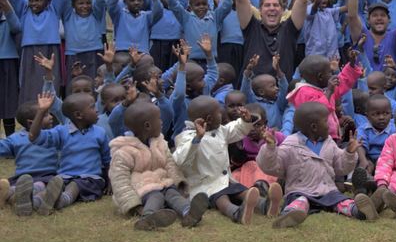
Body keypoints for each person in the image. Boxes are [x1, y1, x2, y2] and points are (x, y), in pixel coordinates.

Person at [256, 101, 379, 228]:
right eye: (326, 121)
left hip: (327, 191)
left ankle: (359, 211)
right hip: (301, 191)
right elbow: (271, 167)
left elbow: (341, 168)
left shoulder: (329, 143)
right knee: (300, 202)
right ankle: (289, 215)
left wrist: (348, 153)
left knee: (342, 202)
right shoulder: (290, 145)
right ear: (314, 127)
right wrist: (270, 147)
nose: (330, 124)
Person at [109, 102, 208, 230]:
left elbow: (170, 165)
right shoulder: (124, 152)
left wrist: (179, 183)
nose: (161, 122)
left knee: (172, 193)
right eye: (158, 119)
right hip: (142, 188)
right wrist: (133, 204)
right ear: (148, 126)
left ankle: (189, 212)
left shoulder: (160, 143)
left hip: (164, 183)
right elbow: (120, 181)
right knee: (156, 196)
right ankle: (147, 216)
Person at [173, 95, 261, 224]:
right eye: (218, 113)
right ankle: (235, 212)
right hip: (205, 185)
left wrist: (245, 121)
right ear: (209, 119)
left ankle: (264, 204)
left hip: (224, 180)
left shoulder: (220, 130)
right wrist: (197, 139)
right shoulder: (187, 137)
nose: (222, 116)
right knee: (221, 198)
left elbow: (234, 129)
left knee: (240, 190)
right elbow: (181, 160)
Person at [28, 92, 111, 215]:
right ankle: (32, 203)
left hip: (90, 179)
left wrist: (110, 182)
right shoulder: (62, 131)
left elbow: (108, 159)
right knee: (54, 184)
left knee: (75, 185)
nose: (97, 110)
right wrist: (41, 111)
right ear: (78, 115)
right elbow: (34, 137)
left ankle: (61, 201)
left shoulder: (100, 133)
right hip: (64, 176)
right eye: (93, 107)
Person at [0, 93, 60, 216]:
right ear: (30, 123)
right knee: (27, 186)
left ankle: (16, 197)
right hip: (24, 177)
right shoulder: (15, 139)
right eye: (45, 115)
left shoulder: (53, 135)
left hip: (44, 176)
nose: (51, 117)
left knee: (35, 186)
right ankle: (12, 195)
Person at [287, 49, 361, 143]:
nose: (331, 75)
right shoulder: (303, 92)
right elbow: (317, 111)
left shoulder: (321, 89)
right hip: (317, 140)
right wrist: (329, 91)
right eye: (329, 72)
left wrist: (351, 64)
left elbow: (341, 83)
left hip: (331, 138)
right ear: (320, 76)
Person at [228, 103, 285, 219]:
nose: (252, 129)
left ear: (265, 123)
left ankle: (262, 189)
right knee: (235, 177)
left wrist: (271, 143)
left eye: (257, 125)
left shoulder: (277, 136)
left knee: (259, 167)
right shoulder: (240, 137)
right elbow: (237, 162)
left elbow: (287, 155)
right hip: (246, 170)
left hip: (268, 170)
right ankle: (253, 196)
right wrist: (239, 146)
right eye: (249, 125)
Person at [351, 94, 394, 195]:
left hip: (387, 159)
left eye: (386, 113)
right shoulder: (363, 129)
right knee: (366, 165)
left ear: (391, 113)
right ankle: (363, 185)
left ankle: (376, 183)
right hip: (369, 157)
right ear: (367, 115)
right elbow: (360, 145)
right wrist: (363, 160)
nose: (381, 117)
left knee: (383, 165)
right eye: (376, 114)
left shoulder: (394, 129)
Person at [240, 53, 288, 130]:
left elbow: (284, 89)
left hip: (275, 137)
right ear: (261, 92)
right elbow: (245, 89)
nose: (277, 88)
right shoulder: (253, 102)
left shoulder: (278, 104)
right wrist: (248, 70)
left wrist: (278, 71)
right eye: (272, 86)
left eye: (276, 85)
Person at [0, 0, 21, 137]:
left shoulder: (8, 20)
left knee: (8, 103)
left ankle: (9, 138)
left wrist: (6, 5)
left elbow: (17, 27)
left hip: (8, 64)